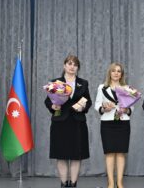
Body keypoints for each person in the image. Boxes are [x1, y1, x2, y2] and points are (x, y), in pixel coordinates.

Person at [45, 55, 91, 188]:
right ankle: (64, 183)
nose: (72, 67)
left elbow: (88, 101)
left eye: (75, 65)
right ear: (64, 65)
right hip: (60, 122)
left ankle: (74, 184)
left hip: (78, 123)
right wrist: (53, 106)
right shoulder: (55, 82)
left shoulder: (83, 83)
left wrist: (83, 107)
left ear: (78, 68)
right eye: (69, 64)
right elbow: (47, 101)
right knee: (61, 155)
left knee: (77, 155)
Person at [94, 63, 132, 188]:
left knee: (121, 153)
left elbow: (131, 108)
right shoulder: (102, 88)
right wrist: (104, 108)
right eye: (113, 71)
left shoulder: (127, 88)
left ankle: (120, 183)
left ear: (121, 74)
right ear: (109, 73)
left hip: (123, 123)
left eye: (119, 71)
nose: (116, 73)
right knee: (109, 153)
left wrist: (126, 109)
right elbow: (97, 105)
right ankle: (110, 183)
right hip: (107, 123)